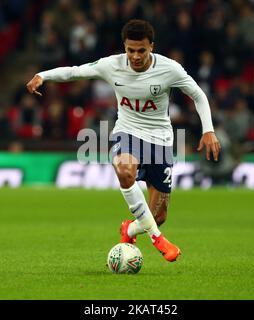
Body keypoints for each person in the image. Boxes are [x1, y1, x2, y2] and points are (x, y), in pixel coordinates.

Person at [26, 19, 221, 262]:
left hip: (160, 140)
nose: (136, 56)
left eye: (141, 50)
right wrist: (42, 76)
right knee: (124, 169)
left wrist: (208, 130)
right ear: (124, 47)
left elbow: (198, 95)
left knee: (158, 215)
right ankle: (157, 239)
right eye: (130, 50)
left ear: (152, 47)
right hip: (127, 132)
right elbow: (75, 71)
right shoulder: (112, 65)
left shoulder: (170, 69)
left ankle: (130, 229)